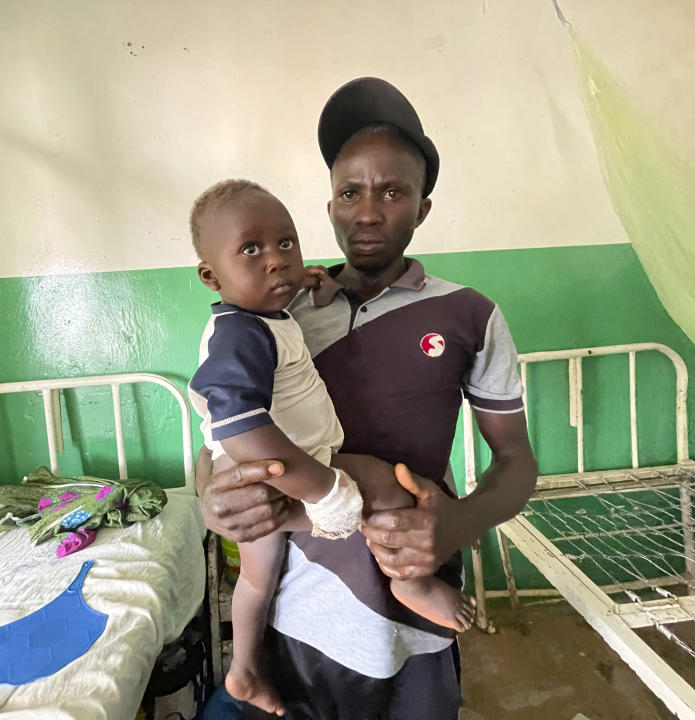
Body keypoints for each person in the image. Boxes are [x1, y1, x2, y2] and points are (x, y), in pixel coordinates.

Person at [199, 77, 539, 719]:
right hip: (296, 611)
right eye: (350, 192)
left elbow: (517, 461)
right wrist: (210, 496)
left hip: (411, 617)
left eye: (393, 192)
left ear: (423, 207)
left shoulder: (469, 314)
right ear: (329, 205)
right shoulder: (280, 311)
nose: (368, 211)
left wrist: (457, 527)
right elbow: (218, 428)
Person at [187, 178, 476, 716]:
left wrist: (305, 279)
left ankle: (243, 668)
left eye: (286, 244)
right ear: (211, 275)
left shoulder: (269, 315)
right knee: (387, 484)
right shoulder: (241, 332)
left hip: (270, 476)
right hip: (286, 473)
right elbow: (234, 426)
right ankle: (412, 585)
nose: (276, 260)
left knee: (256, 579)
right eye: (252, 250)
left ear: (422, 208)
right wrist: (324, 492)